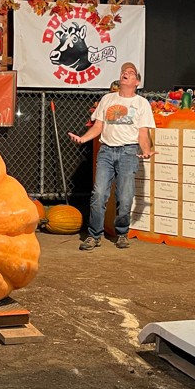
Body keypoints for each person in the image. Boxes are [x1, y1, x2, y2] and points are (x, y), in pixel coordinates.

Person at [68, 62, 156, 250]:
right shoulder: (107, 99)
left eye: (130, 72)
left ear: (137, 82)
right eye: (124, 71)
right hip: (106, 151)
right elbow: (98, 127)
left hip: (128, 152)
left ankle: (122, 233)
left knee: (125, 197)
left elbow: (143, 133)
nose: (125, 73)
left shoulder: (141, 103)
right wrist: (83, 139)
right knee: (99, 194)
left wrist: (146, 150)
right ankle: (94, 235)